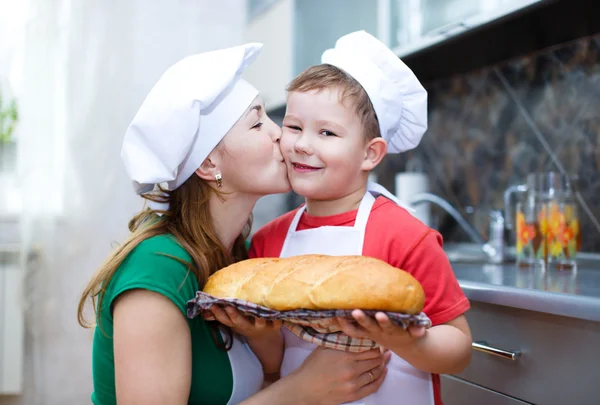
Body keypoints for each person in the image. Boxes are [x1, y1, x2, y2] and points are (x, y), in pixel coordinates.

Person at [77, 42, 389, 405]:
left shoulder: (234, 259)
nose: (280, 135)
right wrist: (301, 391)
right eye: (257, 123)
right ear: (209, 166)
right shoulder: (156, 270)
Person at [249, 31, 473, 404]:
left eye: (326, 132)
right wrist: (259, 333)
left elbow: (459, 348)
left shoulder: (405, 237)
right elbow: (274, 364)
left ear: (370, 154)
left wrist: (407, 341)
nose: (303, 144)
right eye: (293, 127)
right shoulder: (266, 243)